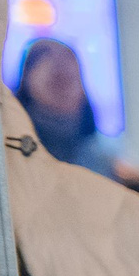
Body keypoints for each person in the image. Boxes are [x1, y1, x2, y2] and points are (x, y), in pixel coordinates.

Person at [12, 38, 117, 176]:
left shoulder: (101, 159)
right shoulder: (12, 151)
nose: (59, 62)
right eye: (57, 80)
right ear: (26, 80)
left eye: (69, 80)